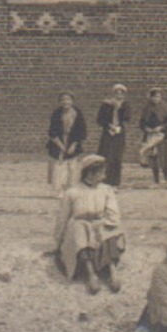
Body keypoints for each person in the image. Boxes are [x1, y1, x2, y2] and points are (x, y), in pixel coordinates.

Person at [53, 155, 125, 295]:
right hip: (80, 223)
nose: (104, 176)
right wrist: (58, 240)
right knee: (79, 231)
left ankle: (112, 271)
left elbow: (114, 213)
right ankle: (91, 273)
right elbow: (63, 218)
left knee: (108, 231)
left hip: (100, 222)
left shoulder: (106, 190)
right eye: (101, 173)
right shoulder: (72, 192)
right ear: (90, 174)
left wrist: (103, 223)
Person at [45, 91, 87, 191]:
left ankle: (71, 188)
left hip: (72, 141)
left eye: (68, 100)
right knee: (59, 166)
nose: (65, 102)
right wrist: (61, 146)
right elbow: (52, 131)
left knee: (72, 167)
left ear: (72, 101)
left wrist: (73, 145)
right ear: (60, 102)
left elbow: (81, 130)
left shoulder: (77, 113)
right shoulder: (56, 113)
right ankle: (59, 189)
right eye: (63, 100)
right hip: (58, 142)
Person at [94, 84, 130, 187]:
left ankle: (115, 182)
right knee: (105, 156)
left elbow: (127, 118)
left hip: (119, 133)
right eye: (117, 92)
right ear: (113, 94)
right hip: (107, 133)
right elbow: (100, 120)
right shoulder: (106, 105)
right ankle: (104, 180)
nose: (119, 95)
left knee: (117, 157)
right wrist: (108, 125)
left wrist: (119, 109)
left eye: (121, 93)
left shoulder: (125, 106)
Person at [138, 87, 167, 185]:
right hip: (151, 136)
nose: (156, 99)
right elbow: (141, 123)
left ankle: (166, 179)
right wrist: (147, 129)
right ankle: (156, 180)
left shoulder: (166, 108)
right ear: (150, 98)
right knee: (154, 159)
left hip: (163, 136)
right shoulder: (146, 109)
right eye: (154, 97)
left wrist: (161, 128)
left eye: (158, 97)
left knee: (164, 159)